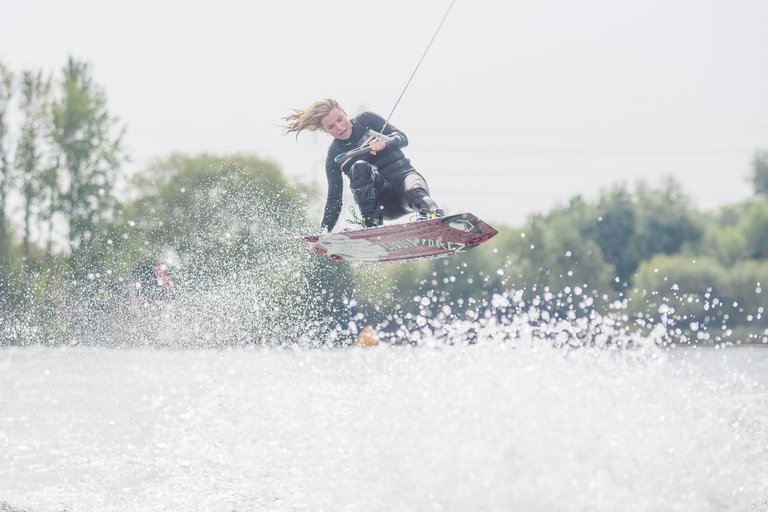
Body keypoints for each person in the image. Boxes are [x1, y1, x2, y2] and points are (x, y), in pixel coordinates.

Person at [282, 98, 444, 230]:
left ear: (344, 112)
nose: (340, 127)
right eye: (331, 126)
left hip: (406, 184)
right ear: (325, 131)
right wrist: (324, 233)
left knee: (415, 191)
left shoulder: (367, 120)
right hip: (383, 206)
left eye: (340, 119)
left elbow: (402, 138)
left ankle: (435, 217)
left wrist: (386, 142)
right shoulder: (334, 156)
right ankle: (371, 224)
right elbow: (334, 201)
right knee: (359, 167)